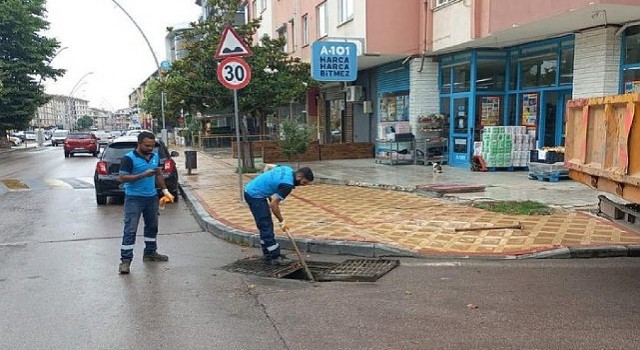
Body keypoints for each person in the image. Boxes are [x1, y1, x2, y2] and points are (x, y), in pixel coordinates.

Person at [117, 131, 174, 274]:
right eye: (147, 145)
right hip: (134, 198)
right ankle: (125, 261)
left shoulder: (155, 156)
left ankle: (150, 253)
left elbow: (158, 174)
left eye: (152, 145)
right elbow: (122, 178)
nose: (150, 148)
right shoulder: (128, 159)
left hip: (151, 198)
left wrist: (165, 190)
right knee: (130, 229)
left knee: (152, 226)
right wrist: (142, 175)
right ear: (139, 143)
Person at [244, 164, 314, 265]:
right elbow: (273, 204)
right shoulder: (287, 185)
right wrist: (282, 221)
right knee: (266, 225)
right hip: (254, 196)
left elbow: (268, 166)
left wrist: (267, 182)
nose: (303, 185)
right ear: (299, 177)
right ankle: (275, 257)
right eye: (304, 182)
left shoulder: (287, 169)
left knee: (265, 225)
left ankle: (267, 254)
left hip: (252, 188)